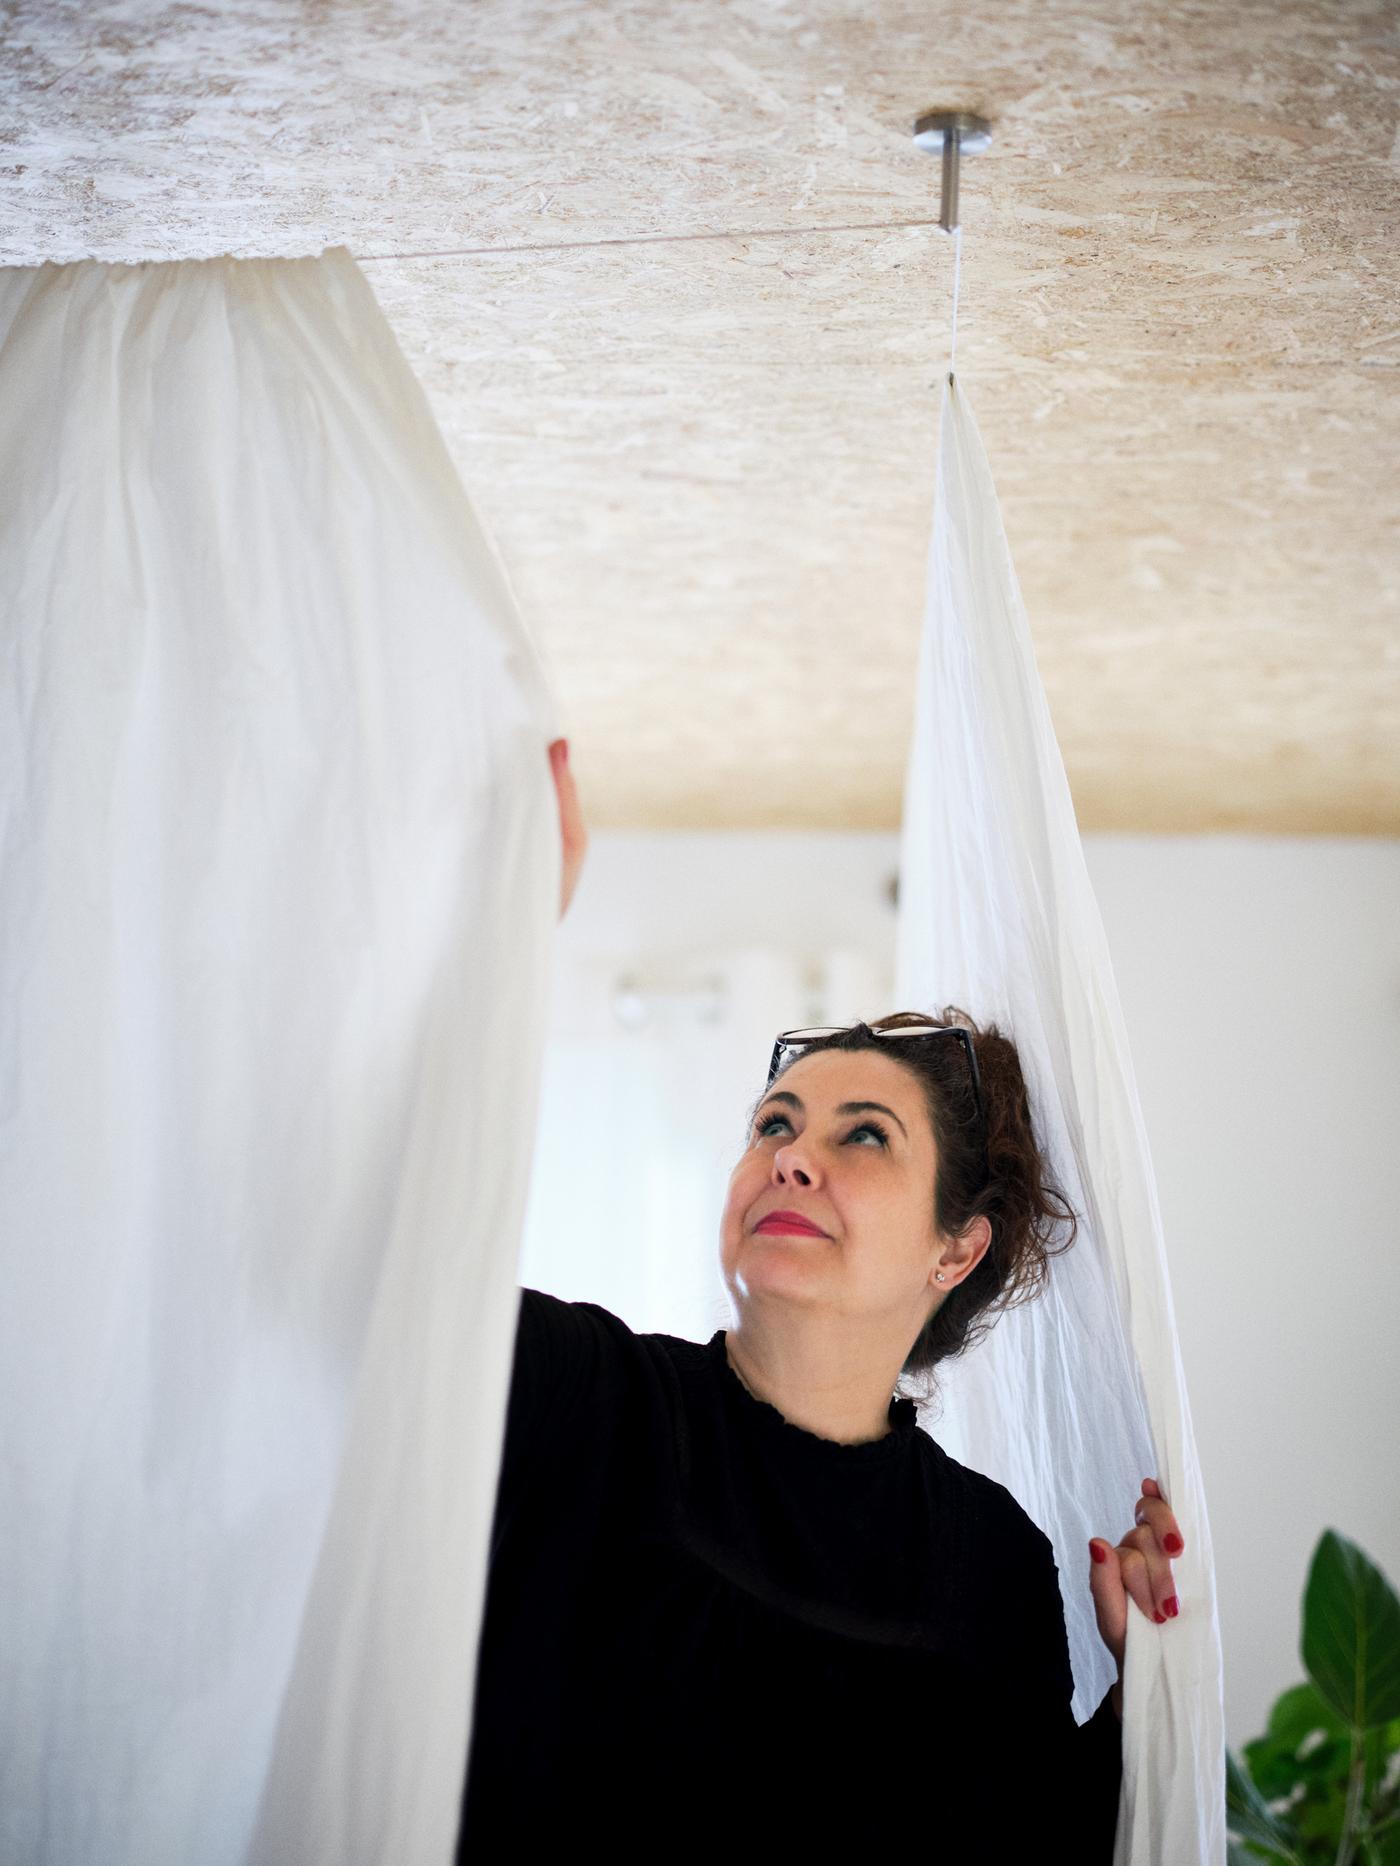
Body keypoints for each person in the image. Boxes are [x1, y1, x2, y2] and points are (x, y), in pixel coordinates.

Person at [452, 744, 1185, 1854]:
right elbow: (375, 1271)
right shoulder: (584, 1400)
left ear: (955, 1249)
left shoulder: (989, 1561)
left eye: (863, 1138)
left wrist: (1149, 1698)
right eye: (774, 1124)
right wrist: (493, 947)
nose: (792, 1158)